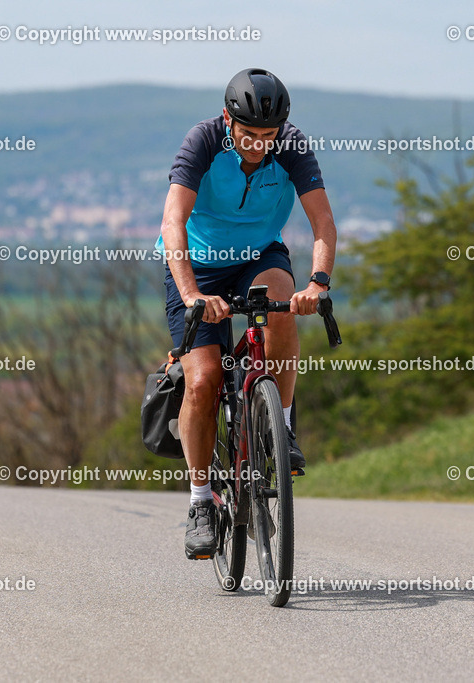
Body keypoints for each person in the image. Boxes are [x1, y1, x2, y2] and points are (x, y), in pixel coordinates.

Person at [157, 67, 337, 559]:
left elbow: (322, 222)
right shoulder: (203, 141)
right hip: (198, 266)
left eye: (269, 135)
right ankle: (199, 501)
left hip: (259, 257)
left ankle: (281, 426)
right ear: (227, 119)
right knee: (204, 380)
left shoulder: (293, 146)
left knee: (279, 298)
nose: (259, 144)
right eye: (249, 135)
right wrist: (192, 294)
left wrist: (317, 283)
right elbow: (173, 221)